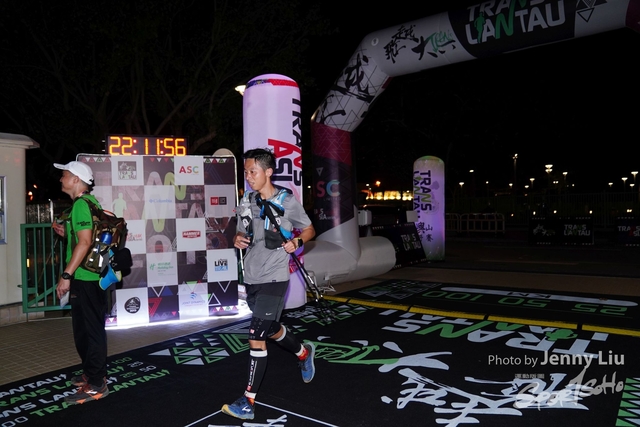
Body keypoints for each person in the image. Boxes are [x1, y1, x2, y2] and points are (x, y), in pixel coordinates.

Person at [221, 148, 316, 420]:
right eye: (246, 172)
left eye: (253, 171)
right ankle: (303, 352)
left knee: (256, 335)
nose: (249, 177)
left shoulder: (287, 200)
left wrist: (297, 241)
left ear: (268, 172)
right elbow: (240, 230)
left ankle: (248, 401)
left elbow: (309, 229)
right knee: (270, 328)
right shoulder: (247, 199)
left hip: (275, 277)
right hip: (252, 276)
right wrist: (237, 238)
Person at [52, 160, 110, 404]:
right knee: (85, 331)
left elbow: (85, 242)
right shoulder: (91, 202)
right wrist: (67, 233)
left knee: (90, 331)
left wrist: (66, 276)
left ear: (76, 180)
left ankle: (97, 383)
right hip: (91, 277)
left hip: (85, 278)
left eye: (64, 175)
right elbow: (86, 238)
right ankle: (91, 373)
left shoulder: (80, 205)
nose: (61, 179)